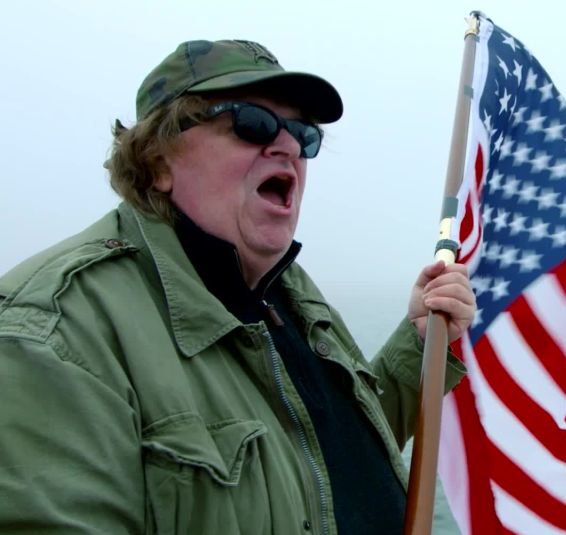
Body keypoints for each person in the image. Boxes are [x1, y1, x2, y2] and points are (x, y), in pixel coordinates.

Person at [0, 39, 475, 534]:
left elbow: (323, 456)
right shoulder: (56, 332)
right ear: (157, 160)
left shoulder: (288, 291)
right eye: (252, 123)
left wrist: (419, 342)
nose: (288, 146)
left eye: (303, 134)